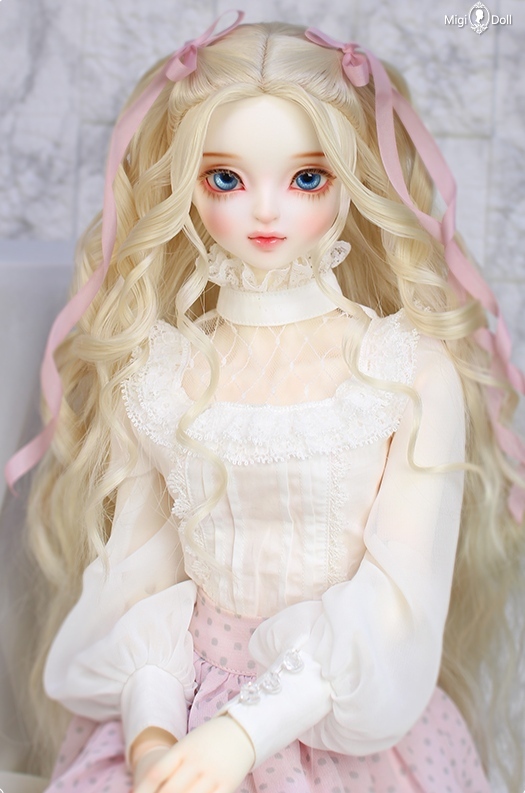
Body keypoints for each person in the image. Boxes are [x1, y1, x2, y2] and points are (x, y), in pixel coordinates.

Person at [6, 13, 525, 793]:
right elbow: (141, 571)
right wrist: (152, 730)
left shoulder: (403, 370)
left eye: (306, 178)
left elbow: (397, 596)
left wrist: (244, 731)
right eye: (226, 179)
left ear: (352, 179)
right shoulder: (162, 372)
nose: (266, 212)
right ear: (186, 184)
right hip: (184, 714)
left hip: (338, 729)